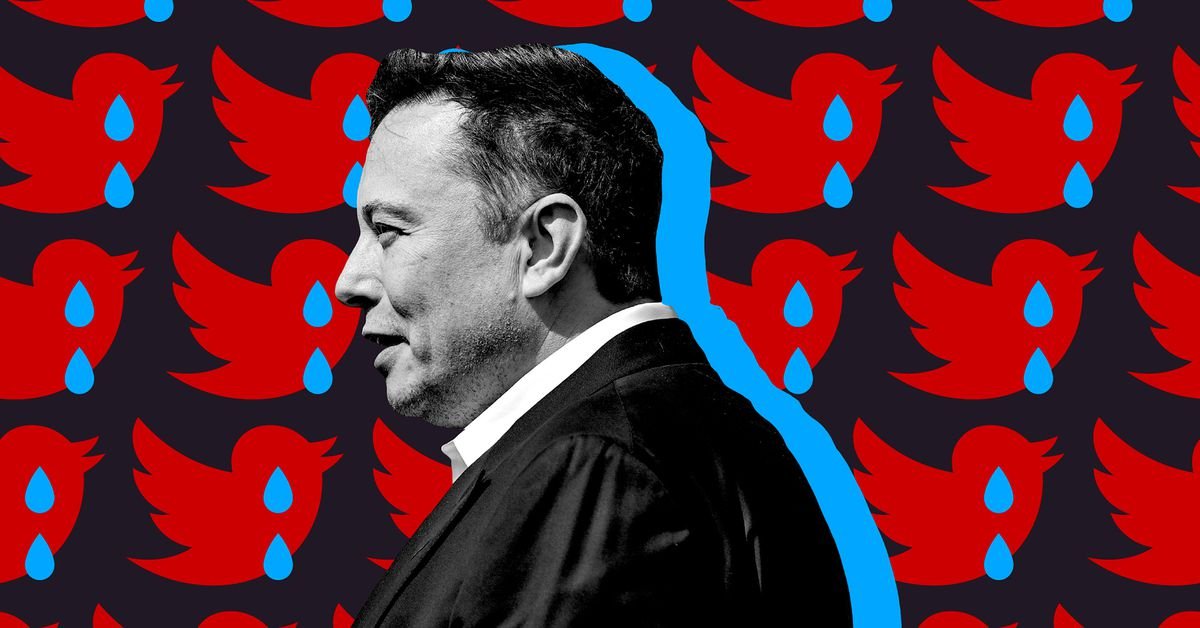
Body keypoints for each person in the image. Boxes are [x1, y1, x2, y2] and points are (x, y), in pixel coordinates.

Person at [335, 44, 850, 627]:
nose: (349, 281)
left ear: (544, 248)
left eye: (388, 230)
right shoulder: (699, 437)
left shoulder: (593, 465)